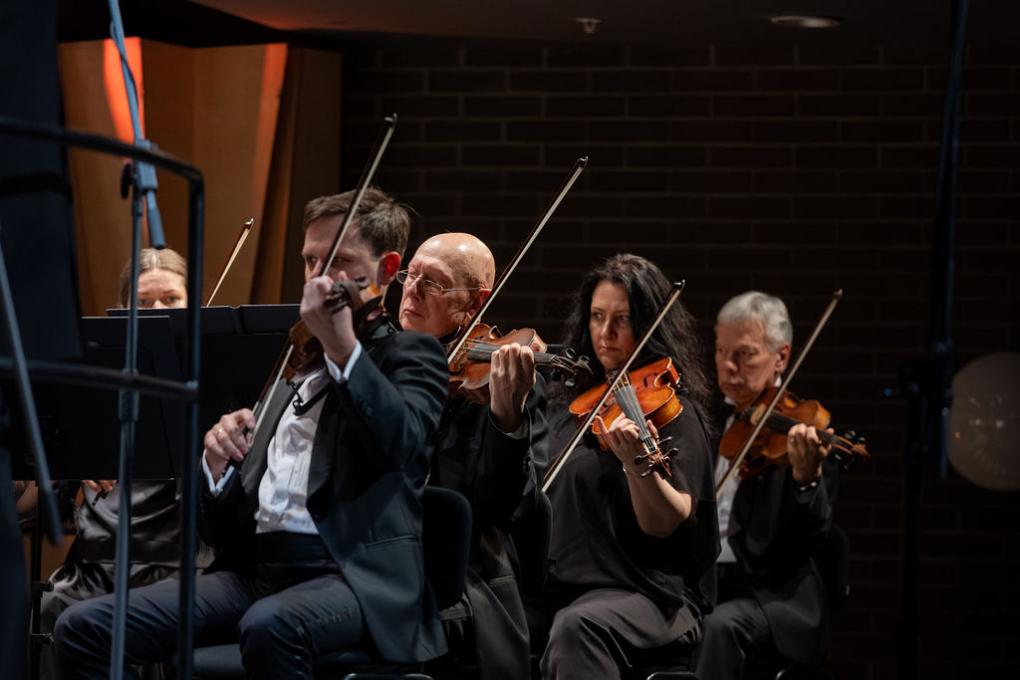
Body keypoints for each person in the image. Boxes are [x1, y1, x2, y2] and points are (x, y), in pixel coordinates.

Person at [54, 188, 450, 679]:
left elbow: (402, 445)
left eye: (339, 261)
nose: (319, 277)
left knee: (269, 625)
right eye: (310, 261)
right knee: (84, 626)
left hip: (350, 577)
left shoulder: (409, 355)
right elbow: (221, 529)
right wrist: (215, 467)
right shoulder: (291, 364)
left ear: (387, 269)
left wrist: (345, 349)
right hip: (257, 571)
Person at [536, 253, 719, 680]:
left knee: (577, 627)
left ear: (650, 324)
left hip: (648, 592)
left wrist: (638, 465)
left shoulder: (674, 413)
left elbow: (667, 520)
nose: (606, 333)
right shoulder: (571, 408)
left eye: (623, 319)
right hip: (566, 585)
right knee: (497, 619)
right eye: (597, 317)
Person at [36, 248, 196, 680]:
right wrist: (73, 458)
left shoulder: (208, 380)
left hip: (173, 563)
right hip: (95, 564)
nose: (157, 311)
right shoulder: (95, 384)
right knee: (52, 604)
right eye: (142, 303)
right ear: (122, 310)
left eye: (170, 300)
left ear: (192, 304)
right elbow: (44, 498)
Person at [396, 232, 548, 680]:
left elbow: (502, 511)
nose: (413, 290)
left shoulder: (502, 382)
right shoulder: (378, 362)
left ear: (476, 301)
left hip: (458, 575)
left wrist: (506, 420)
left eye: (433, 282)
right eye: (410, 275)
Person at [693, 290, 837, 678]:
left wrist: (806, 480)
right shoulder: (704, 422)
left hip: (770, 595)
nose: (728, 366)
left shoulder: (802, 433)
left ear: (782, 357)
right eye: (721, 351)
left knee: (719, 627)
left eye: (744, 354)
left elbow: (809, 542)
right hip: (704, 583)